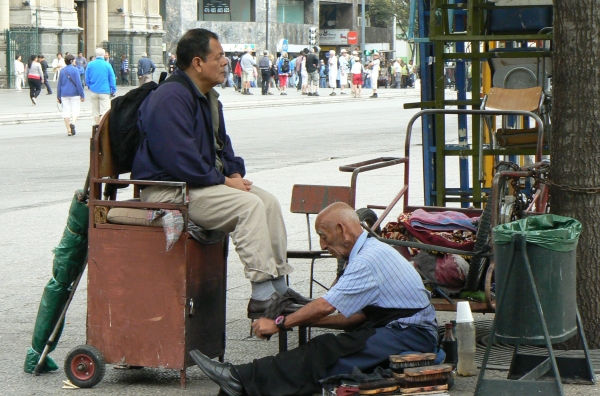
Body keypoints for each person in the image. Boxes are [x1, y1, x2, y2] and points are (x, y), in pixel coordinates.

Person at [131, 28, 309, 319]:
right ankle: (262, 296)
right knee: (248, 206)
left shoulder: (207, 97)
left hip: (199, 182)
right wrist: (224, 181)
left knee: (268, 202)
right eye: (220, 56)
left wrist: (235, 174)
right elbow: (180, 161)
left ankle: (278, 287)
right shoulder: (170, 98)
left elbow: (222, 148)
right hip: (168, 187)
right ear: (198, 63)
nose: (226, 62)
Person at [191, 202, 438, 396]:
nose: (322, 244)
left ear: (342, 230)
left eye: (323, 235)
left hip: (412, 335)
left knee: (326, 353)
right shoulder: (369, 249)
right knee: (329, 350)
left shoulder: (367, 259)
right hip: (399, 329)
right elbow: (355, 318)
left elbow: (325, 306)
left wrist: (278, 324)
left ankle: (239, 378)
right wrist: (302, 321)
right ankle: (242, 380)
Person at [85, 48, 116, 124]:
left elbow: (87, 77)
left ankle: (97, 125)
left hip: (94, 90)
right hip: (104, 90)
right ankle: (102, 127)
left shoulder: (90, 64)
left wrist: (89, 85)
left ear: (96, 55)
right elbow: (112, 78)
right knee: (105, 110)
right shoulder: (107, 65)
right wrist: (113, 89)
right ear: (104, 55)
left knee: (95, 110)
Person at [57, 54, 85, 136]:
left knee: (66, 111)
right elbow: (79, 83)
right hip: (74, 93)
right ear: (71, 61)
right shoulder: (75, 70)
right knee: (75, 109)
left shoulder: (62, 70)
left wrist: (58, 96)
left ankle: (68, 130)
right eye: (74, 60)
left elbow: (59, 84)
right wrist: (82, 94)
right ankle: (73, 122)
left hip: (64, 93)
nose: (75, 61)